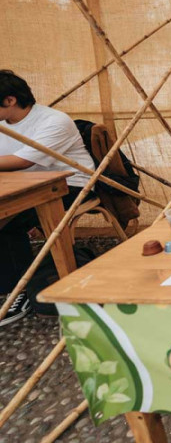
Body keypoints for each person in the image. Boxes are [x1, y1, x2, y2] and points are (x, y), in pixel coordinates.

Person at [0, 70, 96, 326]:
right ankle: (14, 284)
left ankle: (19, 291)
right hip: (24, 187)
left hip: (69, 185)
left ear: (9, 100)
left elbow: (23, 161)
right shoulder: (2, 125)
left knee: (7, 221)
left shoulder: (54, 121)